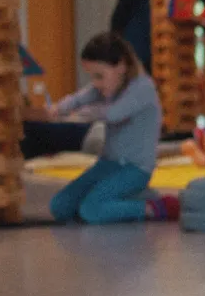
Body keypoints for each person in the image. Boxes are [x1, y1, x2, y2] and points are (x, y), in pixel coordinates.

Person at [45, 32, 169, 224]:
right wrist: (58, 108)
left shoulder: (142, 88)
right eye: (92, 77)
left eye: (99, 76)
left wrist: (77, 115)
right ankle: (128, 197)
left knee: (91, 210)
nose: (95, 83)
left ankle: (150, 207)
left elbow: (113, 114)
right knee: (59, 206)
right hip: (108, 165)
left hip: (134, 169)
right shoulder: (108, 85)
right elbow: (80, 98)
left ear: (120, 66)